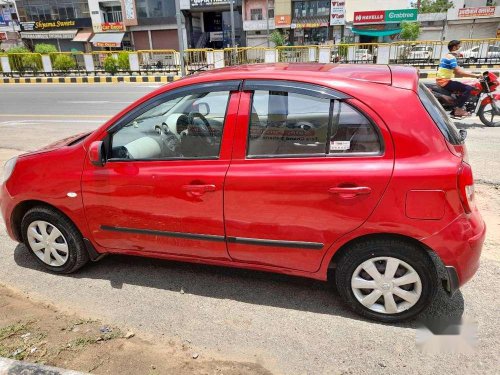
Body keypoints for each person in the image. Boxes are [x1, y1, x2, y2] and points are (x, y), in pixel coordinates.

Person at [436, 40, 481, 117]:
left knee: (459, 86)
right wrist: (475, 75)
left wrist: (469, 73)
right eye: (459, 47)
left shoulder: (447, 56)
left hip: (442, 80)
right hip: (444, 81)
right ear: (454, 47)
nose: (460, 48)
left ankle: (456, 104)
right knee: (468, 88)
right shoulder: (451, 58)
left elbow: (457, 71)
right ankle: (458, 109)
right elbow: (458, 72)